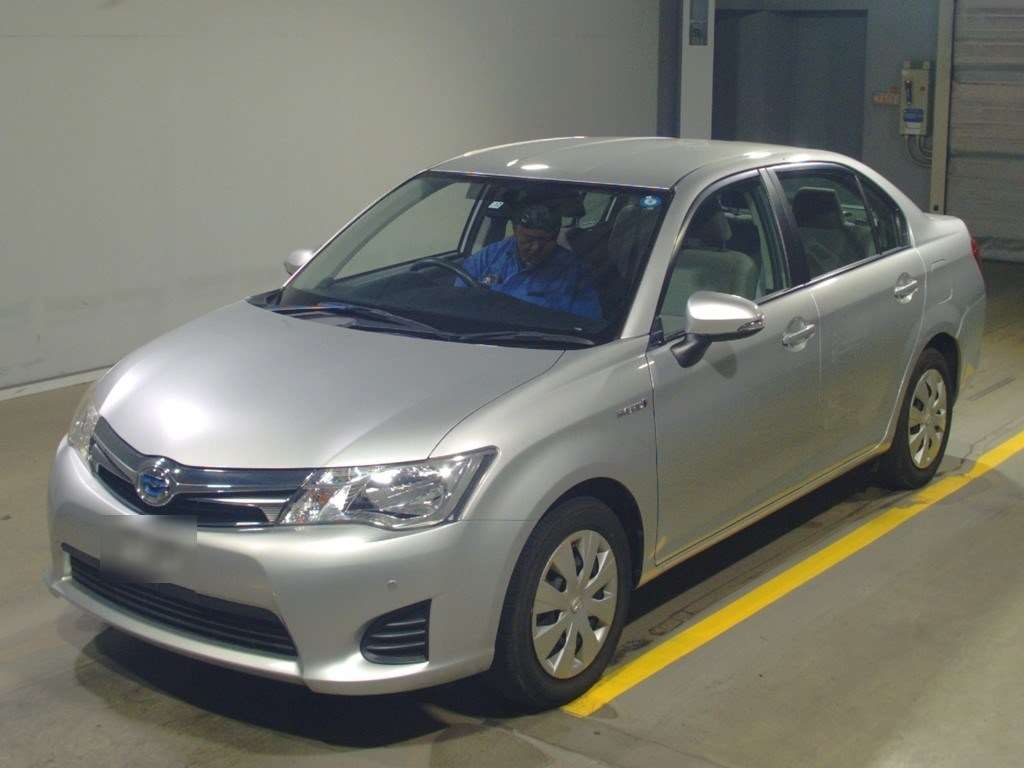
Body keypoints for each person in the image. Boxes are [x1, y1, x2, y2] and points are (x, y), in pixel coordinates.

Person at [458, 204, 602, 320]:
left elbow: (585, 322)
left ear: (556, 236)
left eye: (545, 241)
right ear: (515, 232)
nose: (535, 248)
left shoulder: (574, 272)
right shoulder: (490, 256)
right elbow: (459, 297)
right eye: (528, 240)